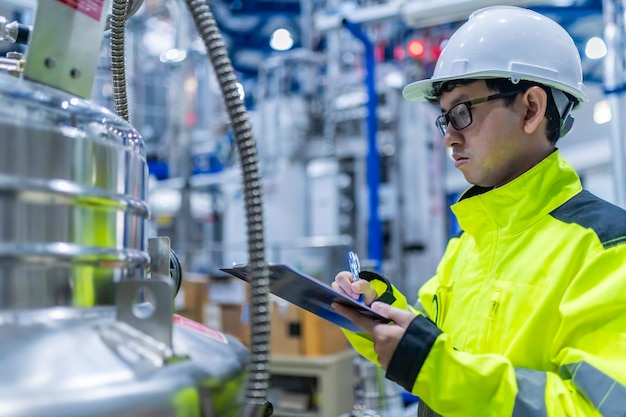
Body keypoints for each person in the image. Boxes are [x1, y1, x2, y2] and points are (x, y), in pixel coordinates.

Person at [331, 6, 626, 417]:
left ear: (531, 109)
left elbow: (597, 409)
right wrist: (378, 307)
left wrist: (432, 366)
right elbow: (442, 346)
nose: (449, 136)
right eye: (444, 119)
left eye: (462, 112)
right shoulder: (469, 242)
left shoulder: (609, 250)